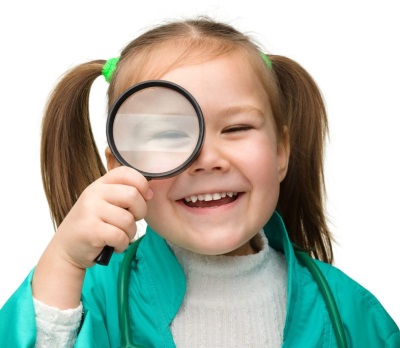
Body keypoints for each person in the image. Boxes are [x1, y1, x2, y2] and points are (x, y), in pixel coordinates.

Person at [0, 16, 399, 348]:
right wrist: (65, 262)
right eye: (169, 136)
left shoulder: (349, 311)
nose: (207, 159)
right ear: (122, 168)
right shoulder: (90, 299)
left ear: (280, 151)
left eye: (237, 127)